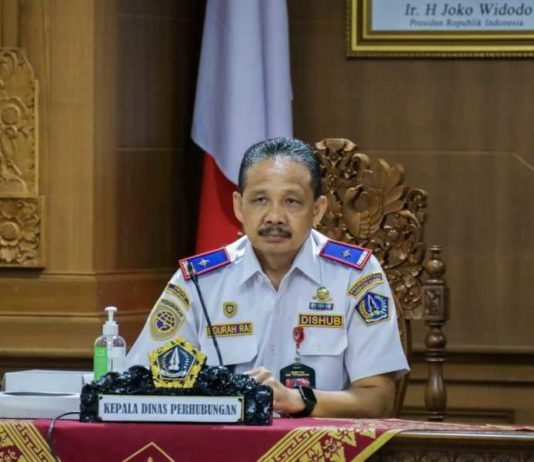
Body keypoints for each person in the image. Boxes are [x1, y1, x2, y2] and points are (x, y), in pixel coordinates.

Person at [127, 137, 409, 418]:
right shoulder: (199, 282)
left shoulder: (356, 276)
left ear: (317, 210)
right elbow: (142, 384)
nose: (275, 217)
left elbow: (378, 398)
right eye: (260, 200)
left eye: (292, 201)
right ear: (239, 206)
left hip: (321, 443)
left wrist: (298, 400)